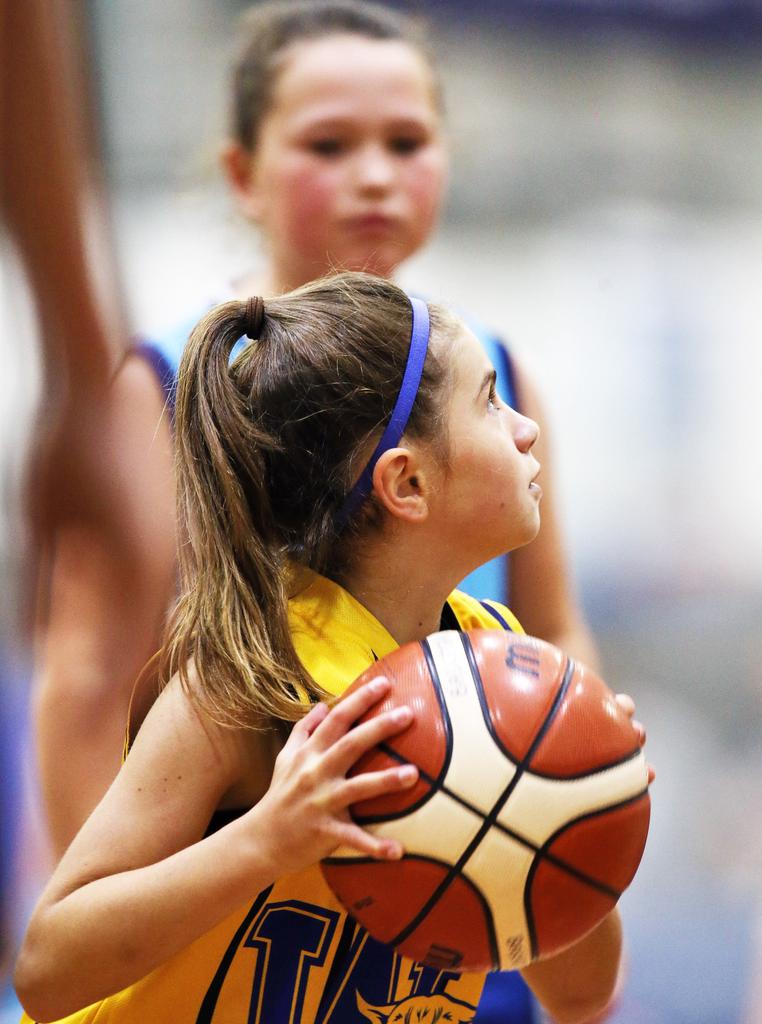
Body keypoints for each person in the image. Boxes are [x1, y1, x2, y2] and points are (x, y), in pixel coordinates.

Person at [15, 274, 646, 1024]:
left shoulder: (498, 661)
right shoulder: (250, 683)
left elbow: (581, 995)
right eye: (488, 401)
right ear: (405, 482)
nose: (525, 428)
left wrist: (583, 811)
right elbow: (46, 969)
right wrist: (264, 840)